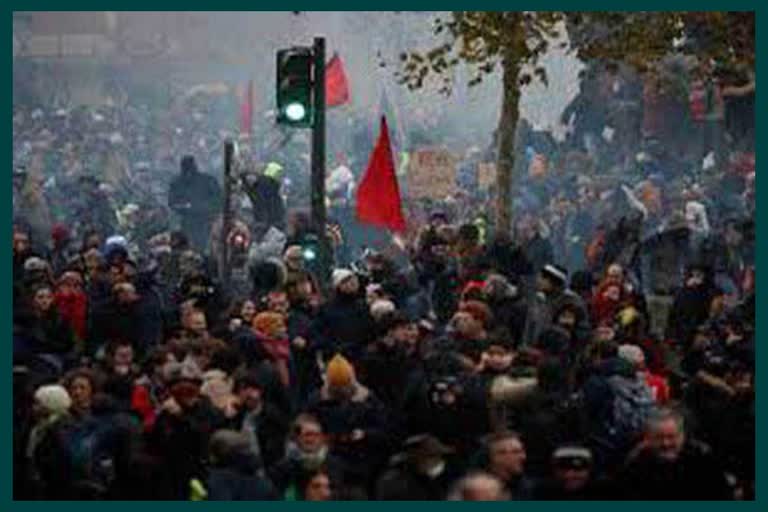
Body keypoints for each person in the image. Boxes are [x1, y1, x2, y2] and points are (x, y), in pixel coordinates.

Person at [619, 407, 733, 500]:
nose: (666, 443)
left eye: (671, 437)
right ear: (648, 439)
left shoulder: (703, 461)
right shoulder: (638, 465)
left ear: (682, 436)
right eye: (659, 438)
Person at [168, 155, 222, 253]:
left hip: (206, 221)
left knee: (205, 247)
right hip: (186, 221)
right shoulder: (177, 183)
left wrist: (202, 208)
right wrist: (185, 207)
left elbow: (218, 200)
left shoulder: (208, 181)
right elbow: (172, 203)